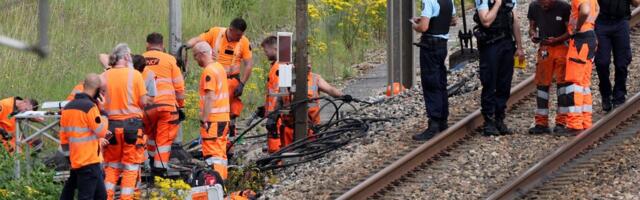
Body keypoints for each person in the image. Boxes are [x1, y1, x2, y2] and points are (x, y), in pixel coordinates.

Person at [258, 36, 351, 153]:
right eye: (306, 63)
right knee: (287, 157)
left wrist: (343, 96)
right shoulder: (287, 77)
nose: (309, 66)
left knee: (307, 154)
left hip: (310, 129)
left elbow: (331, 90)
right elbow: (280, 100)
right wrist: (272, 117)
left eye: (310, 63)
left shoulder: (315, 78)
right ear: (296, 64)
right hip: (288, 129)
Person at [187, 18, 254, 141]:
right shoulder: (216, 33)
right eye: (238, 34)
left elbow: (249, 64)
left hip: (232, 81)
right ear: (231, 29)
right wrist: (184, 47)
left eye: (242, 34)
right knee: (213, 111)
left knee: (232, 114)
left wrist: (242, 84)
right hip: (216, 80)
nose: (240, 37)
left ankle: (229, 144)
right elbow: (197, 40)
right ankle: (213, 138)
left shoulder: (243, 41)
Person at [101, 43, 149, 200]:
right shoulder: (135, 75)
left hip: (111, 127)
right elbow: (143, 102)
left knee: (112, 166)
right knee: (130, 166)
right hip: (132, 127)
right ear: (127, 57)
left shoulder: (104, 76)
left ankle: (106, 197)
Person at [473, 0, 525, 136]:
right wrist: (497, 4)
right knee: (489, 82)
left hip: (507, 43)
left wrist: (519, 46)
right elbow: (486, 21)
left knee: (505, 83)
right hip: (490, 44)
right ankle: (489, 121)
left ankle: (499, 118)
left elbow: (514, 21)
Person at [410, 0, 456, 141]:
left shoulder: (428, 0)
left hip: (430, 46)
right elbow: (453, 21)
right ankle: (443, 120)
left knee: (431, 83)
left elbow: (424, 27)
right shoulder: (449, 1)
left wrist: (415, 25)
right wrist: (428, 19)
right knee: (441, 82)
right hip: (442, 45)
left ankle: (434, 123)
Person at [59, 74, 110, 200]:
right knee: (86, 196)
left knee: (101, 196)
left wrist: (70, 158)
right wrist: (103, 112)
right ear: (97, 89)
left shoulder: (67, 107)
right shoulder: (90, 107)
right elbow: (102, 132)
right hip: (89, 161)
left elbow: (64, 138)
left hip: (77, 160)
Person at [142, 32, 186, 176]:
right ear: (162, 45)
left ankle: (150, 161)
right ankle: (160, 170)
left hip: (147, 107)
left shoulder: (140, 59)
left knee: (151, 137)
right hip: (167, 107)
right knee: (164, 139)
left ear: (147, 45)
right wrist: (180, 106)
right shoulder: (169, 60)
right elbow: (179, 88)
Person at [527, 0, 571, 134]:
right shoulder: (534, 7)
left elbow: (570, 31)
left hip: (561, 48)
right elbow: (532, 27)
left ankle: (561, 122)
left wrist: (557, 39)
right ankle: (541, 123)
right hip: (545, 49)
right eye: (540, 2)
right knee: (541, 85)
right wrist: (533, 34)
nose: (542, 5)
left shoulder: (564, 8)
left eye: (545, 2)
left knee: (562, 86)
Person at [555, 0, 599, 135]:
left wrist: (577, 28)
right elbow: (596, 9)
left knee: (574, 84)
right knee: (584, 84)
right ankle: (585, 121)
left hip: (580, 40)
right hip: (590, 37)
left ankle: (575, 124)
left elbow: (585, 10)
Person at [193, 42, 231, 180]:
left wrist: (204, 118)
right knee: (220, 154)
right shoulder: (219, 68)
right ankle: (222, 184)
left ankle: (215, 186)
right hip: (223, 118)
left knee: (212, 155)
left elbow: (210, 96)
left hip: (213, 120)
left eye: (195, 56)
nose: (195, 60)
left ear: (202, 54)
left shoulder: (209, 71)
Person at [595, 0, 639, 112]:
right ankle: (606, 94)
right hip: (601, 23)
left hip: (620, 22)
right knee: (602, 62)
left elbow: (636, 3)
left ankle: (619, 96)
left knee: (622, 62)